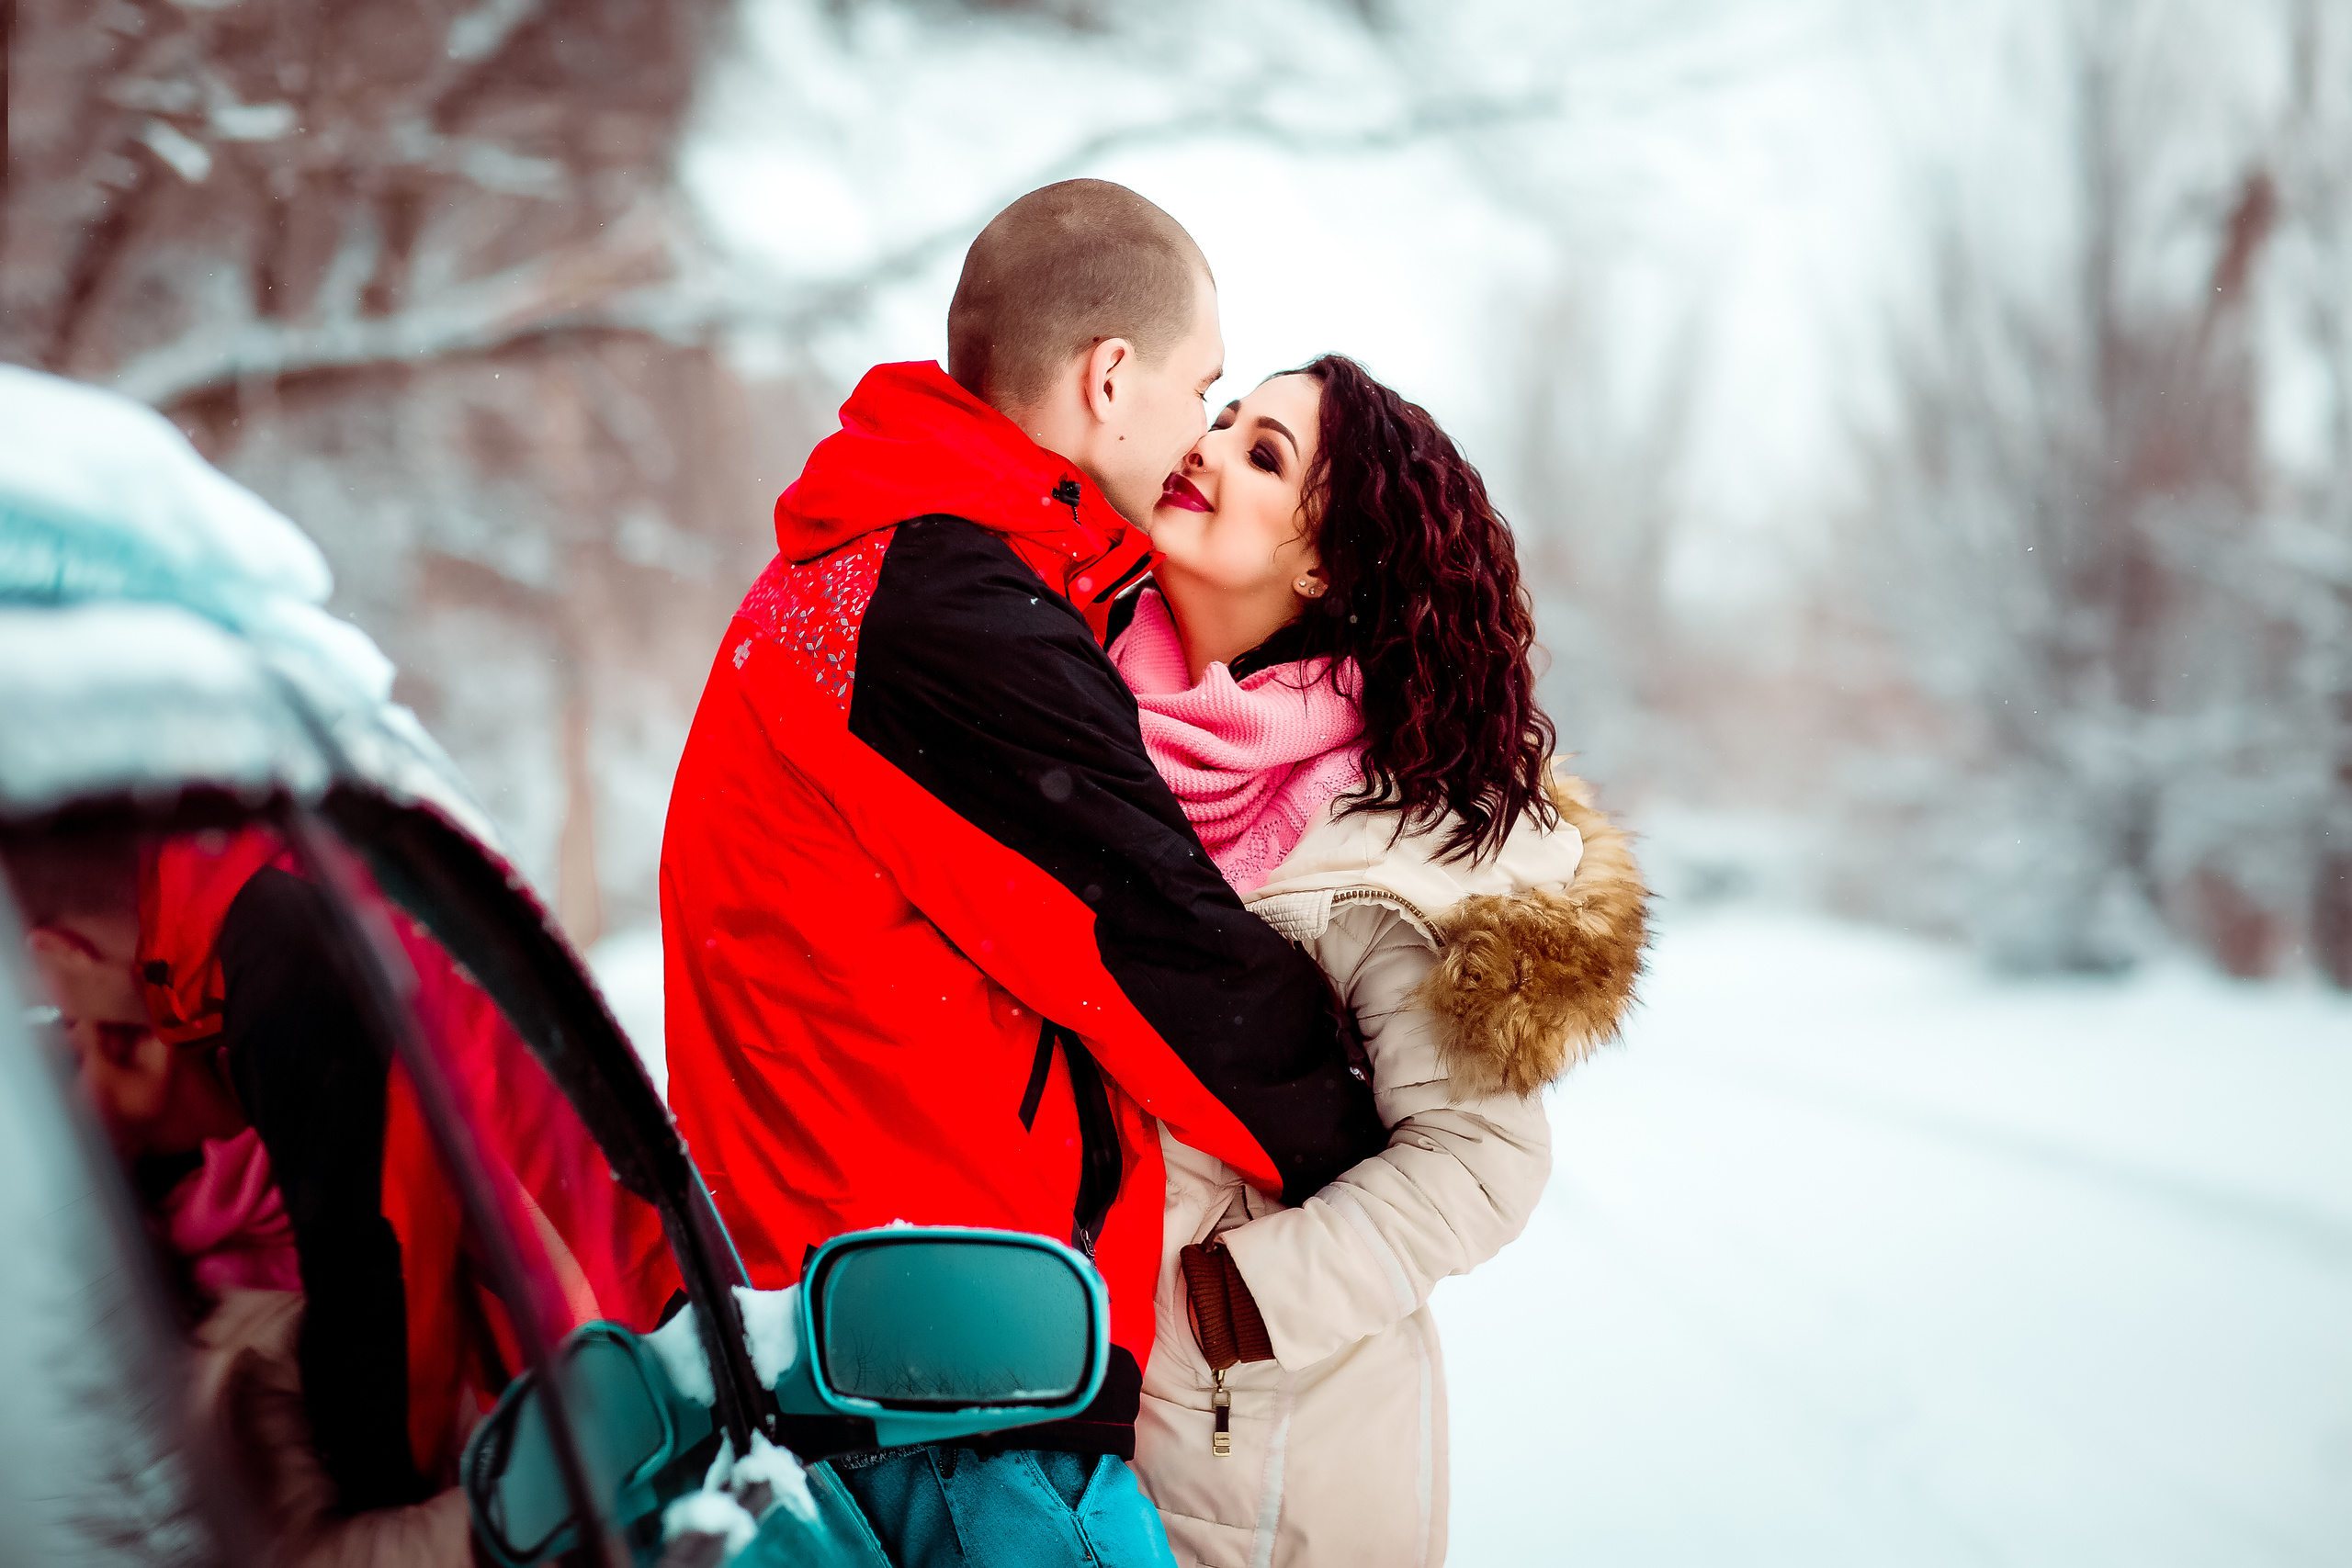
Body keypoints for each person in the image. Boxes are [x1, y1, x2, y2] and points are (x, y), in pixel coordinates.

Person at [661, 180, 1386, 1565]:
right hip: (960, 1408)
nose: (1200, 437)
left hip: (877, 1356)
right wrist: (1376, 1153)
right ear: (1112, 377)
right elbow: (1159, 953)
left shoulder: (866, 581)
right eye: (1203, 390)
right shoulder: (946, 614)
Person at [1110, 355, 1649, 1567]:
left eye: (1264, 455)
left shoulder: (1390, 833)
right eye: (1225, 418)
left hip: (1261, 1450)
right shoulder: (1084, 716)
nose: (1205, 448)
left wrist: (1229, 1304)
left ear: (1324, 564)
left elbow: (1481, 1163)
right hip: (1082, 1406)